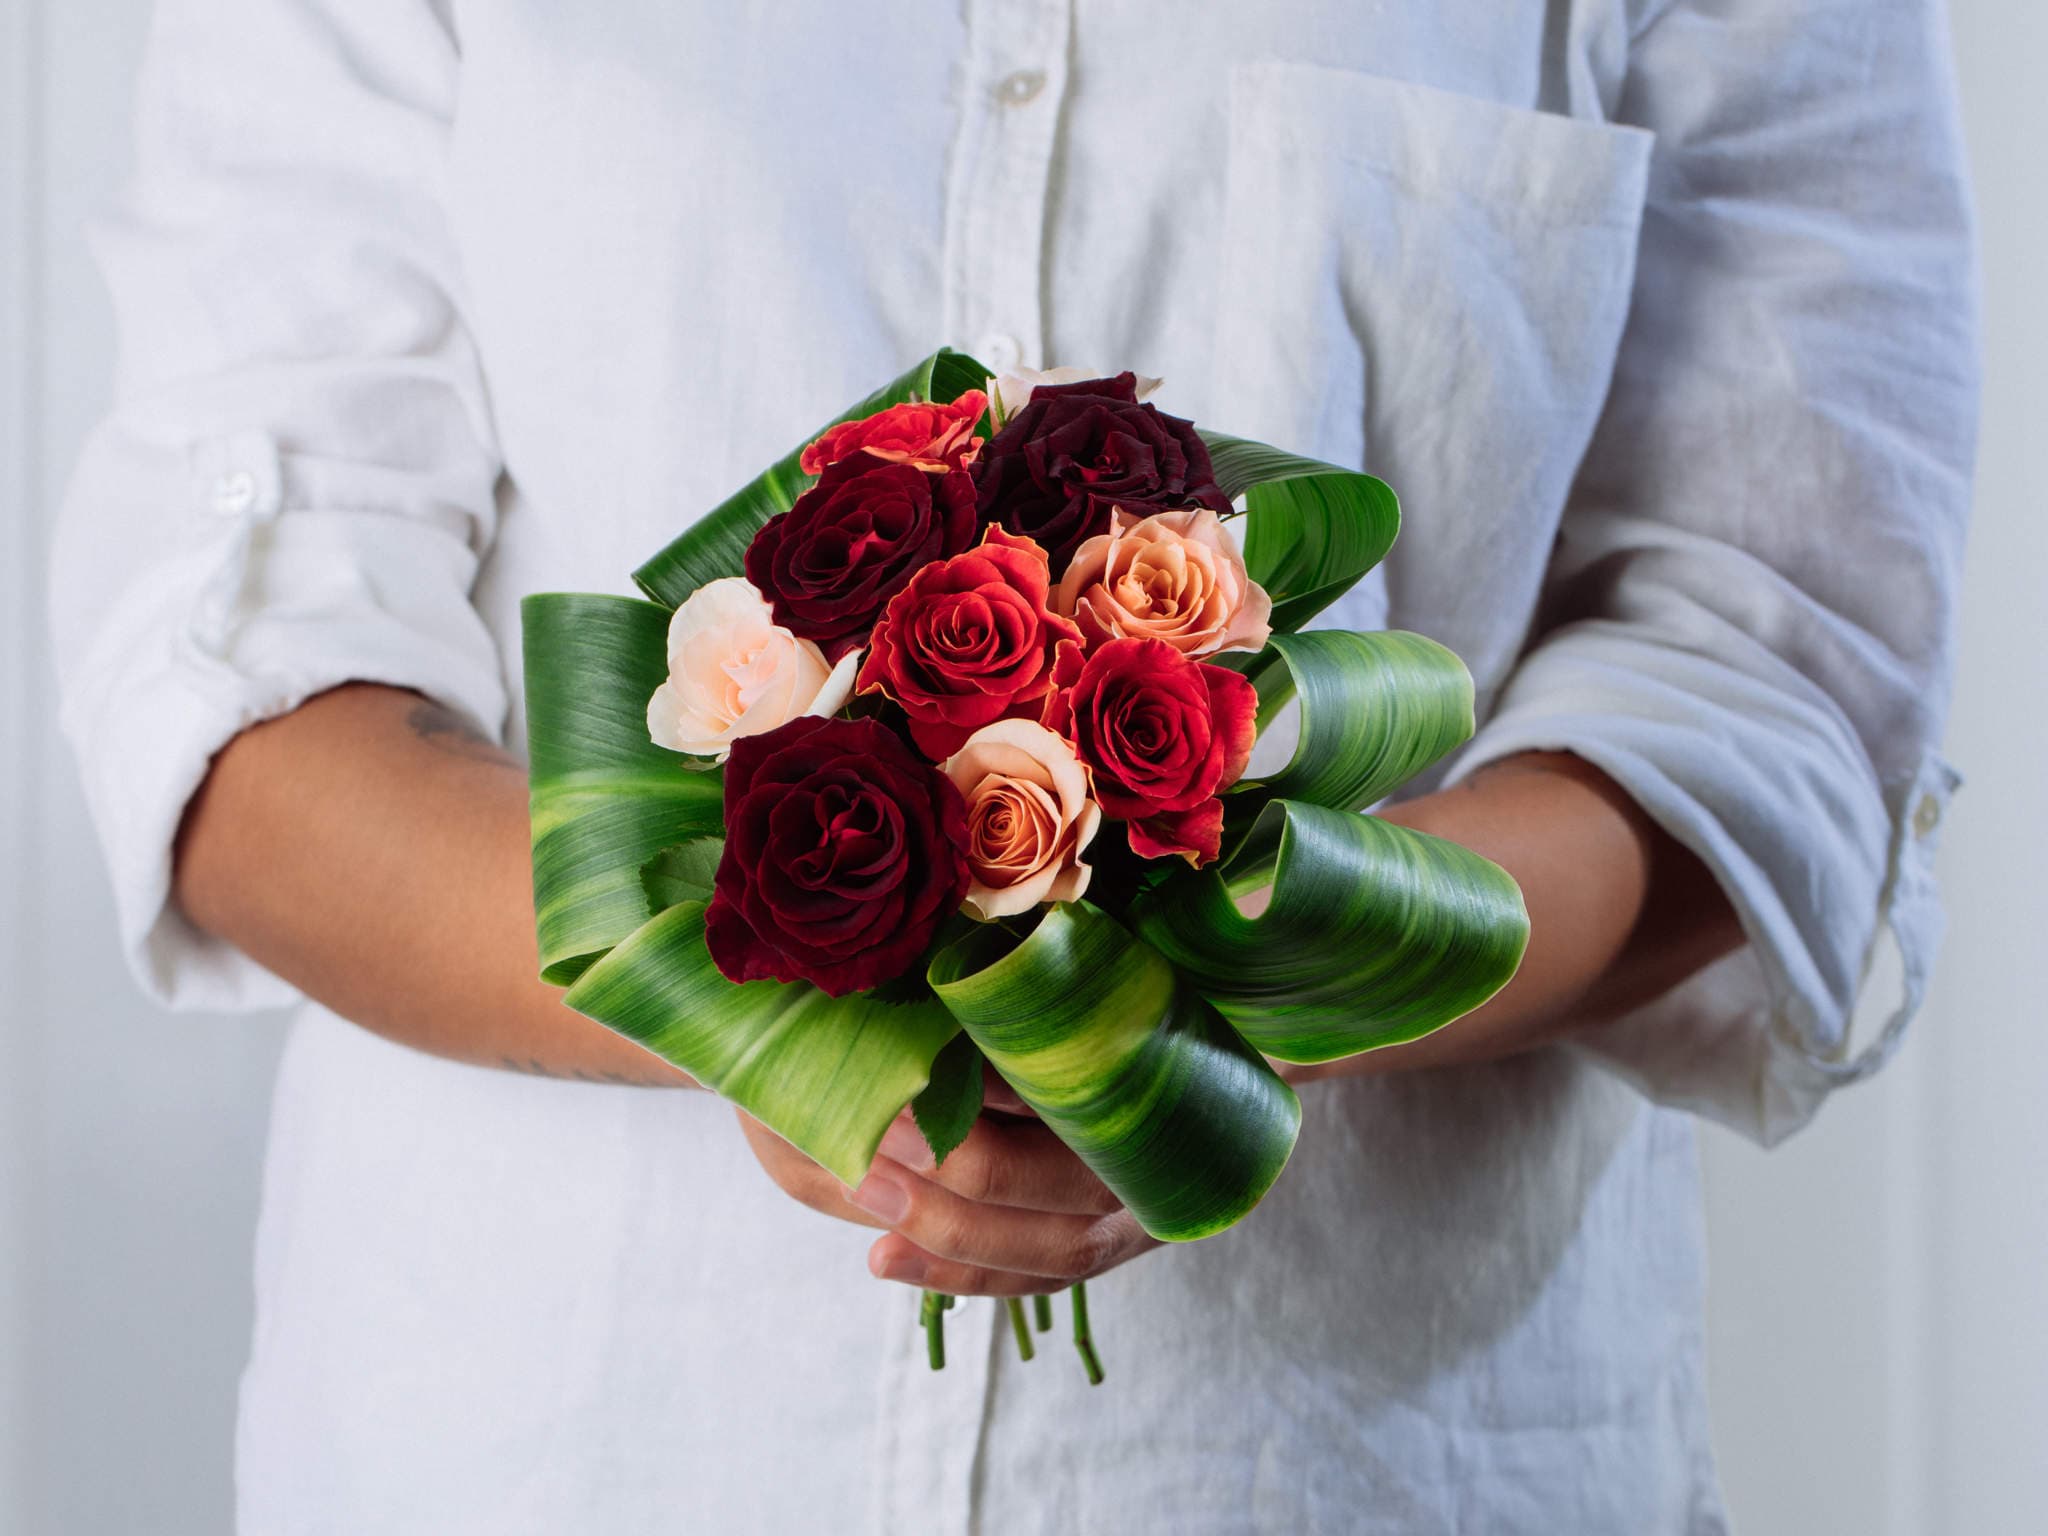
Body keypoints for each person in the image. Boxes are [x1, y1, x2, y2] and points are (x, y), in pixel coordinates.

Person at [50, 2, 1975, 1531]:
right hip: (548, 1450)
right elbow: (234, 687)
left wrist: (1191, 1027)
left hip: (1371, 1466)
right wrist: (808, 1006)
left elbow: (1776, 675)